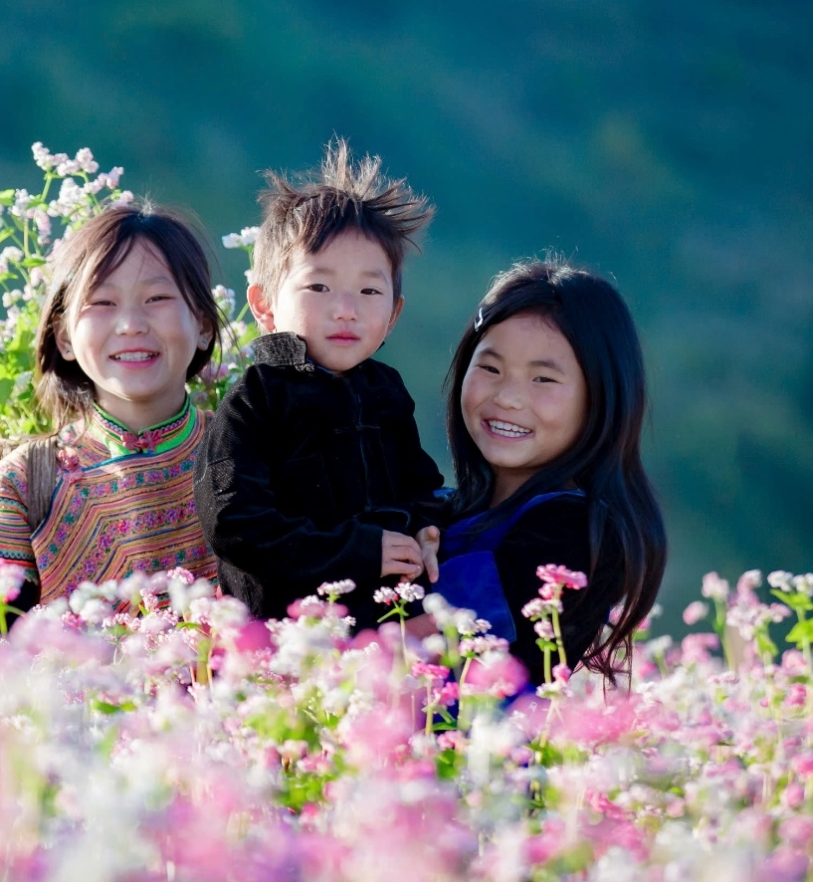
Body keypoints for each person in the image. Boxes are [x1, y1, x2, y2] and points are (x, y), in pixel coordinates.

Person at [194, 140, 444, 628]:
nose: (345, 308)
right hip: (284, 637)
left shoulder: (386, 392)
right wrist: (359, 551)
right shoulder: (256, 400)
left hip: (385, 628)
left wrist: (429, 528)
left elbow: (422, 486)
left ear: (393, 314)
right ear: (264, 304)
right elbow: (234, 524)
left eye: (369, 290)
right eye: (319, 287)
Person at [0, 203, 223, 621]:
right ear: (64, 338)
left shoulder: (253, 458)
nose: (130, 324)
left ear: (202, 325)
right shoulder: (17, 491)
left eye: (157, 297)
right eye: (102, 303)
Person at [431, 258, 667, 684]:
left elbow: (424, 633)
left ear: (601, 396)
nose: (508, 398)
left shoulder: (577, 534)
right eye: (490, 368)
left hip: (473, 750)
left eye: (543, 380)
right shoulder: (440, 507)